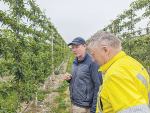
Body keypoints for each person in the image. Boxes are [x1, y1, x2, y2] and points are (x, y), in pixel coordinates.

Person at [87, 31, 150, 113]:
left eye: (94, 55)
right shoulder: (132, 62)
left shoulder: (115, 74)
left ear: (105, 50)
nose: (93, 59)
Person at [64, 37, 102, 113]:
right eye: (73, 47)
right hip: (74, 103)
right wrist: (69, 80)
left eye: (77, 47)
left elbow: (98, 85)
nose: (74, 50)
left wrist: (94, 109)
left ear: (84, 46)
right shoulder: (75, 61)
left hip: (85, 107)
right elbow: (80, 79)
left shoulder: (92, 62)